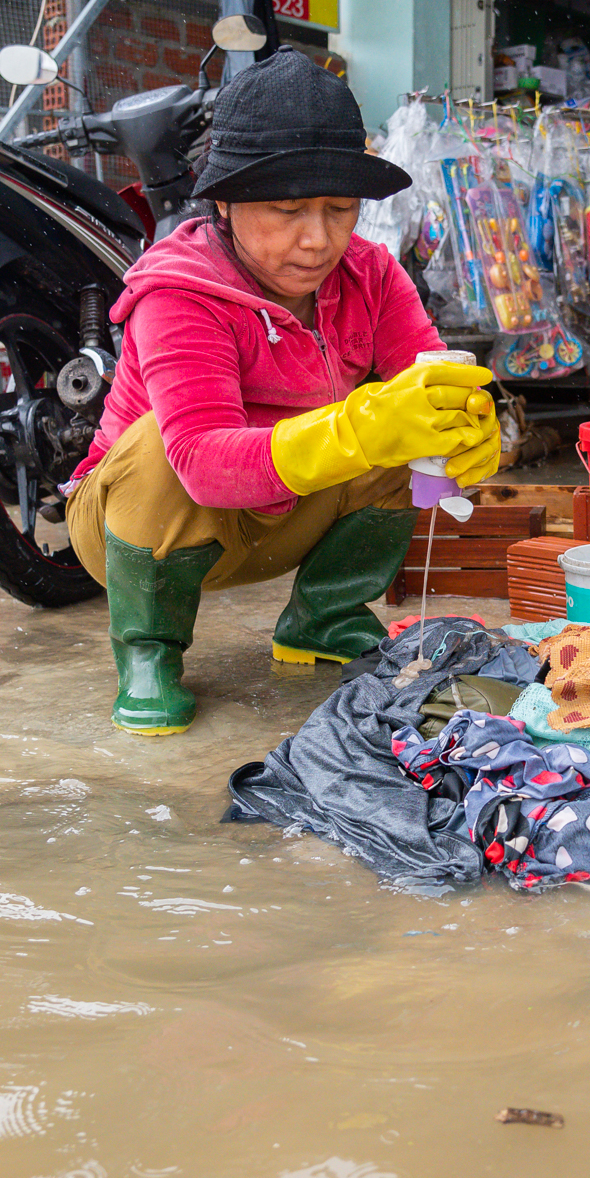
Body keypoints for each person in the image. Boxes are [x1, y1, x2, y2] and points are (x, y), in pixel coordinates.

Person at [63, 49, 502, 736]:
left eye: (339, 208)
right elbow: (204, 464)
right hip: (148, 526)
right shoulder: (178, 288)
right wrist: (360, 428)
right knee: (161, 445)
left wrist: (469, 424)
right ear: (227, 202)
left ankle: (323, 616)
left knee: (410, 416)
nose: (318, 238)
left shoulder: (372, 274)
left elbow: (429, 378)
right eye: (288, 209)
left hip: (282, 513)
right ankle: (146, 647)